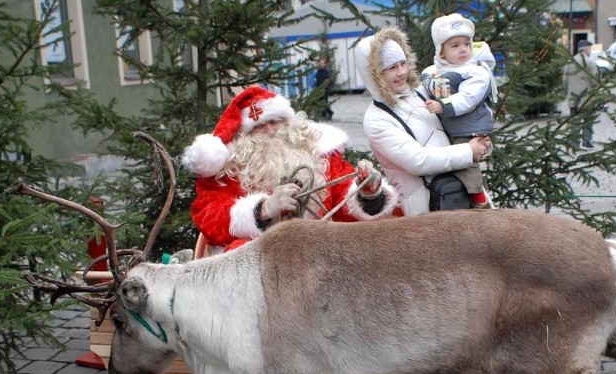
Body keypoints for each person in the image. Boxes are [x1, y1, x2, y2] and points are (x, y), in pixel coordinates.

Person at [181, 86, 399, 252]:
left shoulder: (319, 152)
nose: (270, 130)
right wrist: (263, 210)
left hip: (325, 250)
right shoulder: (227, 170)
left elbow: (344, 200)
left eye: (275, 122)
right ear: (242, 136)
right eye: (258, 126)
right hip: (268, 261)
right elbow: (208, 216)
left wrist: (367, 192)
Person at [354, 26, 491, 216]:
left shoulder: (422, 91)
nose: (401, 72)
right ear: (374, 75)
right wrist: (469, 150)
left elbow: (459, 118)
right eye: (392, 68)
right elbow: (418, 161)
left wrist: (480, 140)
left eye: (403, 63)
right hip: (428, 214)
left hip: (461, 196)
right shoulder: (376, 119)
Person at [421, 13, 496, 208]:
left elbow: (468, 98)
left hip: (469, 129)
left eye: (466, 44)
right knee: (457, 166)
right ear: (442, 52)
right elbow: (428, 83)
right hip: (453, 129)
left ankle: (480, 199)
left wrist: (442, 106)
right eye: (455, 45)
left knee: (467, 166)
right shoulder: (434, 71)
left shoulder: (477, 71)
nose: (463, 49)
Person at [563, 40, 599, 149]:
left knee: (575, 121)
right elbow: (595, 81)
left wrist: (568, 92)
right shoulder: (590, 63)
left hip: (573, 97)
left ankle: (574, 143)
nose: (590, 51)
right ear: (586, 49)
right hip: (587, 98)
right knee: (588, 119)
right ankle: (586, 140)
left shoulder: (569, 62)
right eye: (590, 49)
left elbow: (564, 81)